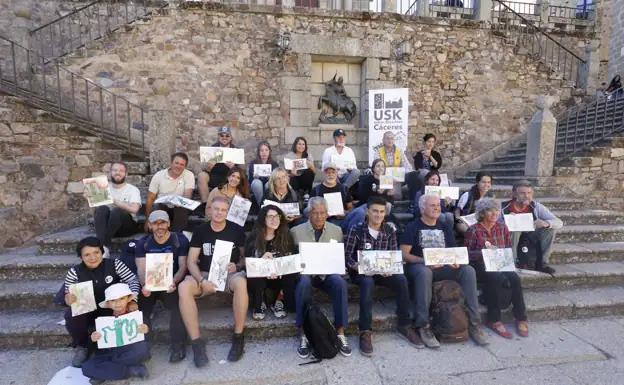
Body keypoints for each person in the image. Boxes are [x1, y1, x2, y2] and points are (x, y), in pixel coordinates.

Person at [400, 194, 489, 348]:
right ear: (422, 208)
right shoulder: (412, 227)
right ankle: (423, 325)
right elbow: (404, 254)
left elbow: (452, 251)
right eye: (432, 205)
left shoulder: (445, 227)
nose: (436, 208)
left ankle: (474, 323)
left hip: (443, 266)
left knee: (468, 270)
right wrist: (425, 261)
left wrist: (454, 261)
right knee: (424, 272)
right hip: (420, 267)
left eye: (438, 205)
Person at [345, 196, 420, 356]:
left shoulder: (390, 230)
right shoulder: (356, 229)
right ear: (367, 212)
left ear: (385, 213)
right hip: (362, 272)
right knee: (367, 283)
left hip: (383, 271)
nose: (378, 215)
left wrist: (392, 267)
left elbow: (393, 254)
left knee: (401, 279)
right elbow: (347, 257)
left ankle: (404, 324)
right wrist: (356, 265)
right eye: (374, 211)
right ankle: (365, 330)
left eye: (381, 211)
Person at [178, 197, 247, 367]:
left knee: (241, 283)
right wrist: (202, 280)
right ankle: (196, 343)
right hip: (205, 274)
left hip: (228, 275)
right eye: (216, 209)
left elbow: (245, 258)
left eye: (223, 210)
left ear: (228, 212)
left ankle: (238, 337)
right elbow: (191, 261)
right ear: (209, 210)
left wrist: (237, 265)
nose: (219, 213)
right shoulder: (201, 230)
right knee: (183, 287)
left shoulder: (236, 230)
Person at [63, 236, 140, 367]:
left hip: (113, 307)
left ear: (102, 252)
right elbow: (67, 294)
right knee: (70, 314)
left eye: (96, 252)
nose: (93, 257)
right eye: (87, 254)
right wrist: (69, 299)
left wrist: (132, 299)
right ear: (81, 257)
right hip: (89, 310)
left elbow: (132, 280)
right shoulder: (74, 272)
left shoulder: (115, 264)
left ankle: (127, 345)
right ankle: (83, 346)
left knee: (132, 309)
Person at [291, 197, 351, 358]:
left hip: (327, 273)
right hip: (306, 274)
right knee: (303, 282)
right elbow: (291, 259)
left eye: (322, 213)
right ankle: (303, 332)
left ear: (327, 213)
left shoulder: (336, 231)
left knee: (339, 282)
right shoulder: (296, 231)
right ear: (309, 214)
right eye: (315, 213)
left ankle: (340, 331)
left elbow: (338, 256)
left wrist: (340, 266)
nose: (319, 217)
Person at [465, 198, 529, 339]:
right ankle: (494, 319)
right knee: (494, 278)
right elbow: (467, 254)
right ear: (482, 213)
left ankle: (521, 317)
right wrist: (484, 252)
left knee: (515, 278)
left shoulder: (502, 227)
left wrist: (505, 257)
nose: (494, 213)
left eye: (496, 210)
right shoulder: (474, 230)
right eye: (490, 210)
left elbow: (507, 248)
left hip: (500, 262)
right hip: (480, 265)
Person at [134, 210, 189, 363]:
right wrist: (144, 285)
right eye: (155, 223)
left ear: (169, 223)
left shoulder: (180, 240)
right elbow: (141, 268)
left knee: (178, 307)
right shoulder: (143, 243)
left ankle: (178, 346)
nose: (160, 226)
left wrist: (174, 281)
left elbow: (183, 266)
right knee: (139, 308)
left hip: (171, 283)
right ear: (150, 225)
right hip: (150, 284)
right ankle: (142, 346)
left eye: (163, 222)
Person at [82, 283, 150, 384]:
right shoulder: (102, 318)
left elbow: (147, 333)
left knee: (142, 349)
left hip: (129, 350)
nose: (118, 303)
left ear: (128, 299)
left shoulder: (134, 314)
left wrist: (146, 329)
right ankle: (131, 371)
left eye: (122, 299)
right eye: (113, 300)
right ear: (108, 303)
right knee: (86, 367)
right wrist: (93, 338)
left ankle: (104, 372)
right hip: (110, 352)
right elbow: (93, 343)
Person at [245, 205, 298, 320]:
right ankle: (259, 303)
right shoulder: (254, 237)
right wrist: (262, 261)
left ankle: (279, 301)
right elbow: (248, 263)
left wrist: (278, 268)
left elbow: (290, 258)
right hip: (260, 275)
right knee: (254, 273)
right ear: (263, 219)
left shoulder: (286, 236)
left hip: (279, 275)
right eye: (270, 216)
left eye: (277, 216)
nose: (274, 219)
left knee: (291, 273)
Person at [500, 180, 563, 274]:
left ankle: (542, 263)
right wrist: (506, 220)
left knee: (550, 230)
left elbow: (559, 222)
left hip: (530, 236)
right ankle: (511, 263)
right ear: (514, 194)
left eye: (529, 193)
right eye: (522, 193)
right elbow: (491, 224)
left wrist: (546, 223)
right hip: (510, 236)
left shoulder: (536, 206)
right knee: (515, 229)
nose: (526, 196)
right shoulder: (503, 207)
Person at [90, 162, 141, 254]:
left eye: (121, 171)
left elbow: (135, 209)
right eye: (115, 170)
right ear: (110, 173)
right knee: (102, 209)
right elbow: (96, 213)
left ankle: (102, 244)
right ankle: (104, 247)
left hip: (126, 227)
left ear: (126, 174)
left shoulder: (132, 189)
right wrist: (90, 199)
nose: (118, 173)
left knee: (117, 211)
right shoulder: (103, 188)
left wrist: (115, 201)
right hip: (108, 227)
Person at [145, 152, 195, 232]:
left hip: (178, 207)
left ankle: (176, 236)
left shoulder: (189, 175)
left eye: (182, 164)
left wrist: (179, 202)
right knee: (156, 206)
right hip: (162, 206)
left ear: (185, 166)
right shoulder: (159, 175)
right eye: (176, 163)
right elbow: (150, 198)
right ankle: (159, 234)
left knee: (182, 207)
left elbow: (187, 196)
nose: (178, 166)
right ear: (171, 163)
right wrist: (147, 219)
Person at [341, 159, 394, 233]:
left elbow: (391, 201)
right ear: (373, 168)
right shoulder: (366, 179)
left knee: (388, 206)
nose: (381, 168)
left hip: (382, 207)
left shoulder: (387, 180)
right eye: (378, 166)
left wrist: (389, 194)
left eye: (382, 166)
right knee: (362, 212)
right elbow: (363, 197)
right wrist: (378, 193)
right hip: (366, 205)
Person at [198, 126, 238, 202]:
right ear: (218, 137)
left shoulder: (235, 150)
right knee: (201, 175)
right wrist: (208, 166)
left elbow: (241, 171)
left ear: (231, 138)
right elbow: (203, 168)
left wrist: (233, 168)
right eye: (222, 135)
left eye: (227, 135)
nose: (224, 137)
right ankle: (205, 204)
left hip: (228, 178)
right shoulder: (212, 148)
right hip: (214, 176)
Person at [407, 133, 442, 201]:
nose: (430, 144)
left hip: (434, 175)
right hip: (422, 175)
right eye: (429, 141)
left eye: (432, 142)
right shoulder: (419, 154)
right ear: (424, 142)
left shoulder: (436, 154)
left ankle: (444, 202)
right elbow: (418, 168)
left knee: (447, 181)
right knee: (424, 172)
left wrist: (430, 156)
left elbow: (437, 166)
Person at [248, 141, 279, 206]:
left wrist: (271, 178)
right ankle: (262, 206)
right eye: (261, 150)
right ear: (259, 152)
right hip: (257, 186)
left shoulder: (274, 164)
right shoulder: (253, 163)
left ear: (269, 151)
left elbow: (277, 180)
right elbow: (250, 180)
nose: (264, 152)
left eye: (266, 150)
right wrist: (254, 177)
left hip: (268, 185)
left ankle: (267, 205)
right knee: (256, 182)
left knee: (268, 184)